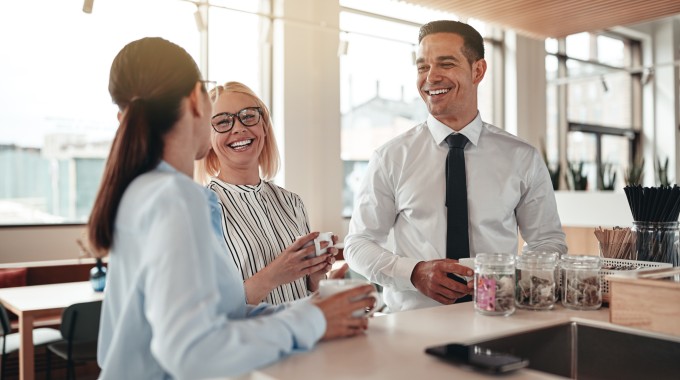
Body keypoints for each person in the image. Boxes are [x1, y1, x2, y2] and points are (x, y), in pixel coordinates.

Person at [89, 37, 374, 379]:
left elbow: (221, 316)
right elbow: (192, 350)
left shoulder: (142, 191)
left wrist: (319, 308)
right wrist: (313, 319)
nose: (237, 127)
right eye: (221, 117)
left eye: (248, 117)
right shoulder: (176, 198)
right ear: (198, 100)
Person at [344, 20, 567, 313]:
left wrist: (509, 277)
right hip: (412, 327)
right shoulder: (390, 157)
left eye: (445, 64)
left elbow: (547, 242)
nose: (431, 77)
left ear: (478, 71)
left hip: (498, 318)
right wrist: (414, 272)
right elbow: (359, 244)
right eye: (422, 67)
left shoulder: (521, 157)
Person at [198, 81, 348, 305]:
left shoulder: (292, 202)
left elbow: (307, 297)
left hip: (304, 336)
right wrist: (273, 275)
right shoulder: (201, 209)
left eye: (248, 116)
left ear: (264, 128)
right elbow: (210, 309)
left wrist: (316, 277)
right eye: (222, 122)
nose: (238, 128)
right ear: (206, 139)